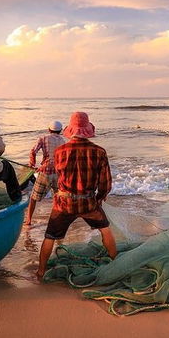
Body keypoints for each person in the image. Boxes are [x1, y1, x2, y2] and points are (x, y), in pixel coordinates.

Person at [37, 112, 117, 278]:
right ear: (88, 130)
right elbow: (105, 183)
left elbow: (59, 176)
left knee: (50, 236)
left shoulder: (59, 151)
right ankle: (115, 265)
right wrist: (99, 198)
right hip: (89, 202)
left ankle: (41, 271)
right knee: (106, 231)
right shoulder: (99, 152)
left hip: (63, 204)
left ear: (70, 130)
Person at [25, 121, 67, 225]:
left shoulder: (43, 138)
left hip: (45, 172)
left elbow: (33, 151)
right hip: (58, 173)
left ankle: (29, 220)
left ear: (49, 130)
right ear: (60, 131)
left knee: (34, 197)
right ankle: (57, 219)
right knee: (57, 197)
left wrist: (32, 163)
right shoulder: (63, 141)